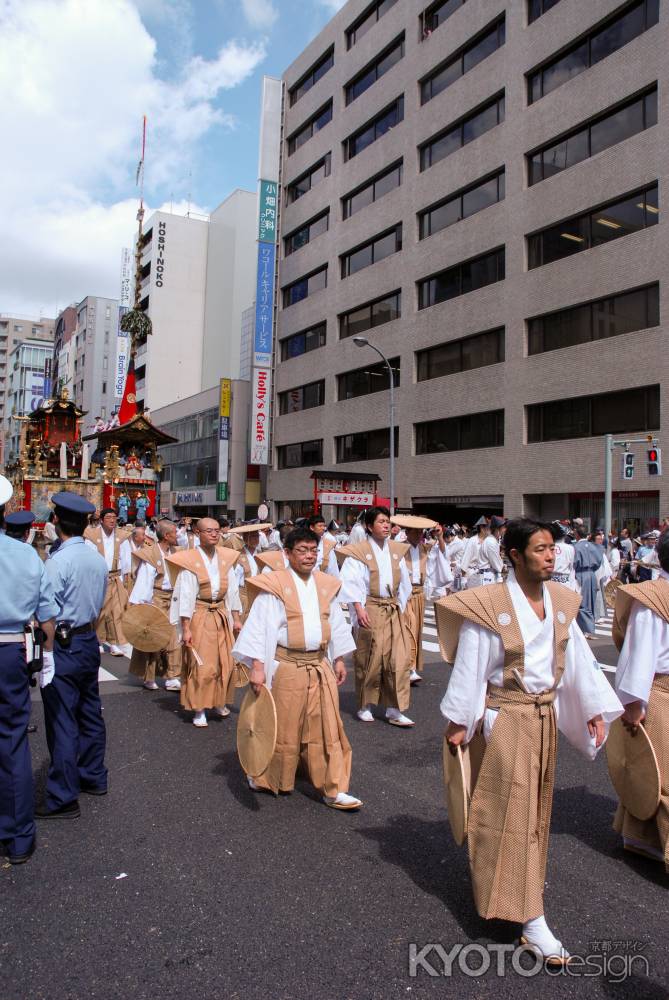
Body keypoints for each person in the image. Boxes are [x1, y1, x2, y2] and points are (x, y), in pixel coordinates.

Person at [438, 518, 622, 963]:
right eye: (540, 549)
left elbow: (574, 656)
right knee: (511, 811)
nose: (550, 556)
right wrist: (460, 719)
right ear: (515, 555)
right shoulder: (489, 606)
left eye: (552, 549)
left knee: (533, 813)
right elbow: (472, 664)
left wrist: (594, 706)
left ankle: (515, 901)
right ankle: (531, 917)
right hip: (508, 716)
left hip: (543, 715)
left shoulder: (560, 601)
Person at [233, 527, 361, 809]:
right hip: (287, 665)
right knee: (282, 726)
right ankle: (266, 775)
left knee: (328, 727)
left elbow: (335, 623)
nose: (309, 556)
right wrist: (257, 666)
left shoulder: (325, 584)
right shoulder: (274, 585)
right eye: (302, 550)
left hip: (319, 664)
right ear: (287, 553)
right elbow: (259, 626)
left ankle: (333, 787)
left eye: (314, 551)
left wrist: (339, 657)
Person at [39, 491, 109, 819]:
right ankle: (93, 775)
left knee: (63, 718)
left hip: (64, 642)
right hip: (87, 638)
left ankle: (63, 796)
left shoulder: (58, 561)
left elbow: (47, 612)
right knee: (90, 710)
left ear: (56, 522)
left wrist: (48, 652)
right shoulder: (96, 557)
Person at [0, 476, 58, 864]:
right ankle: (19, 835)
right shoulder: (25, 555)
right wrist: (47, 654)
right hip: (10, 648)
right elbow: (47, 617)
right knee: (13, 740)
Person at [612, 529, 669, 867]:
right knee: (658, 771)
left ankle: (642, 836)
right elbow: (639, 652)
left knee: (655, 769)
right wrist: (633, 704)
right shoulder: (652, 597)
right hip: (660, 691)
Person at [338, 506, 413, 727]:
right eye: (381, 522)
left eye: (387, 521)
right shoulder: (359, 551)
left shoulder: (396, 551)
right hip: (370, 606)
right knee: (371, 657)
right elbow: (351, 582)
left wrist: (401, 605)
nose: (386, 525)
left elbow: (405, 583)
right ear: (369, 526)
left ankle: (394, 707)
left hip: (392, 607)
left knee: (398, 658)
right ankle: (365, 704)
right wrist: (358, 608)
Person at [167, 518, 242, 727]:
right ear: (197, 533)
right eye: (208, 531)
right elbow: (186, 596)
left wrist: (236, 618)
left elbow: (233, 591)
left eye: (217, 531)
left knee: (224, 662)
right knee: (201, 664)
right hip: (199, 613)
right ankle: (199, 708)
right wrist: (186, 628)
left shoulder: (226, 558)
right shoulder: (190, 560)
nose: (214, 534)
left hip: (220, 613)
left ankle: (219, 701)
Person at [128, 519, 182, 692]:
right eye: (175, 533)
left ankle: (172, 675)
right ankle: (148, 676)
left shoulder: (177, 552)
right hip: (156, 598)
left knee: (174, 637)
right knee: (154, 640)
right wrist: (140, 604)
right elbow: (145, 580)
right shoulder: (150, 554)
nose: (177, 535)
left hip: (172, 598)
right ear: (166, 536)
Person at [398, 517, 453, 683]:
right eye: (415, 531)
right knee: (408, 629)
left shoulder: (425, 548)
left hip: (419, 593)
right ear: (407, 532)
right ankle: (408, 667)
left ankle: (411, 666)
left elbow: (443, 553)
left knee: (416, 630)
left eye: (420, 531)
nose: (419, 534)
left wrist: (439, 536)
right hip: (404, 594)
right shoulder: (399, 548)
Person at [84, 507, 131, 656]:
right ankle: (97, 639)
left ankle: (113, 642)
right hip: (99, 578)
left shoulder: (122, 536)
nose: (112, 520)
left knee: (116, 611)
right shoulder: (92, 535)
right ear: (102, 520)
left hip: (116, 577)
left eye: (114, 517)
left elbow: (126, 561)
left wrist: (125, 580)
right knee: (100, 611)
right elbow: (88, 559)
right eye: (109, 517)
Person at [572, 526, 604, 638]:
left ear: (577, 535)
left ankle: (584, 628)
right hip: (592, 574)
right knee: (591, 601)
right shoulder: (594, 546)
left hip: (580, 574)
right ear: (588, 535)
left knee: (581, 602)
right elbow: (599, 561)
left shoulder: (575, 547)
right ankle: (589, 627)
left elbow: (573, 563)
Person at [119, 522, 152, 594]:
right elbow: (124, 565)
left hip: (140, 580)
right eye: (143, 535)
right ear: (136, 537)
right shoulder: (125, 545)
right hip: (128, 579)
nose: (145, 538)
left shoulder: (144, 547)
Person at [460, 516, 489, 589]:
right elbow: (466, 559)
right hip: (473, 574)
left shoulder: (489, 541)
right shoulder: (472, 541)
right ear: (482, 528)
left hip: (486, 575)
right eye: (489, 527)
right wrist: (463, 578)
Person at [479, 516, 506, 584]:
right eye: (503, 527)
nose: (505, 529)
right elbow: (497, 566)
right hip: (487, 577)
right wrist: (504, 568)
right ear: (497, 529)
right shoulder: (491, 542)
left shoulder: (493, 540)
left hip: (489, 575)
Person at [551, 523, 577, 590]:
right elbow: (572, 567)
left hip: (550, 581)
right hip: (565, 581)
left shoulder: (549, 547)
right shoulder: (570, 548)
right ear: (564, 535)